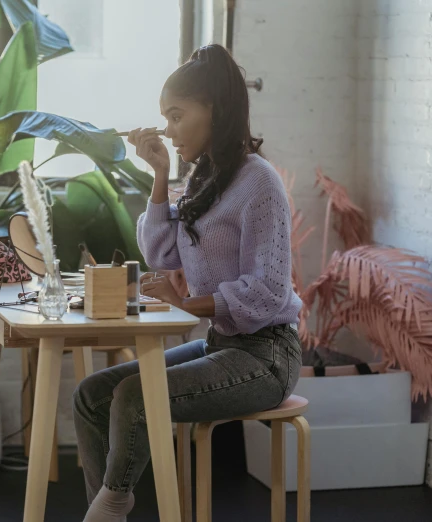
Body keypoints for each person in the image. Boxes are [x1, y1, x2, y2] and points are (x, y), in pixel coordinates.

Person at [72, 44, 303, 522]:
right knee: (92, 395)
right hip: (224, 346)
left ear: (214, 111)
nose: (169, 131)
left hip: (267, 356)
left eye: (177, 116)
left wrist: (187, 303)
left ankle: (111, 504)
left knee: (135, 396)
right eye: (165, 118)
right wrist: (159, 174)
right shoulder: (205, 179)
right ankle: (105, 508)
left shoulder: (259, 184)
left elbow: (268, 292)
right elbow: (161, 252)